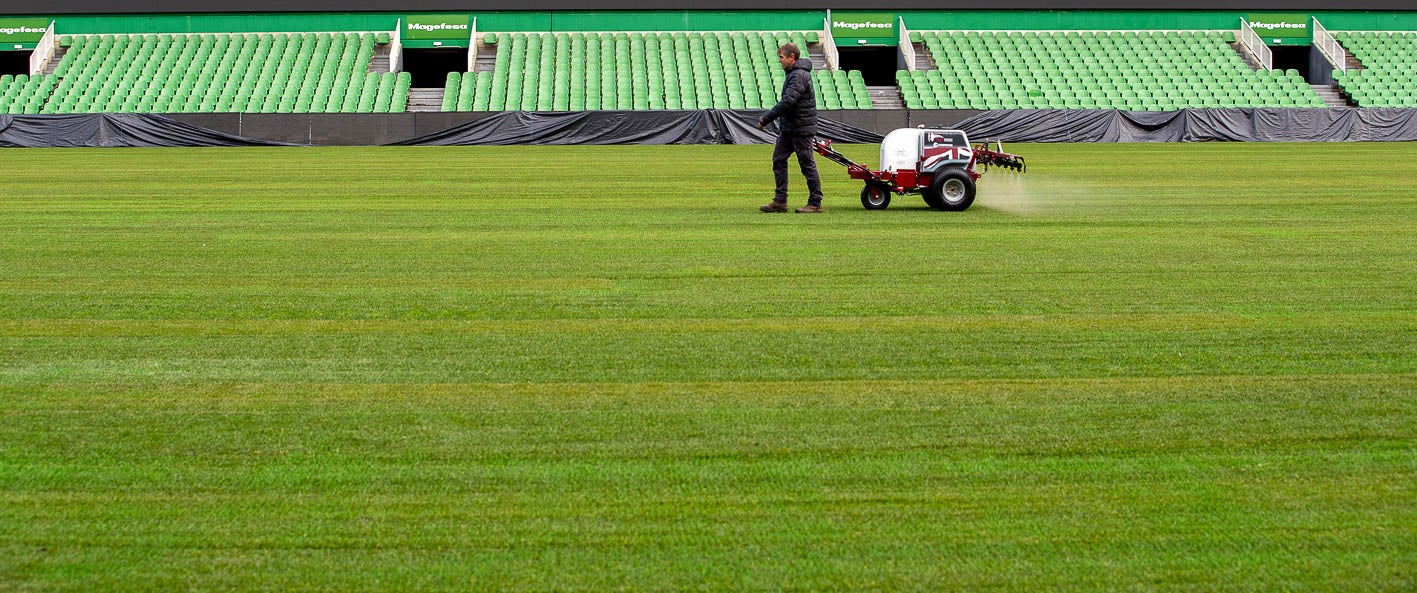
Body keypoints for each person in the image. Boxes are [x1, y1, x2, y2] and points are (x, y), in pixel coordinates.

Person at [757, 43, 824, 214]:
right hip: (790, 128)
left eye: (781, 57)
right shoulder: (794, 74)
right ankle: (780, 201)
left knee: (807, 164)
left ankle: (815, 202)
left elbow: (788, 101)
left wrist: (766, 118)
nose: (779, 61)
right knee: (779, 160)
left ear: (791, 57)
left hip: (800, 128)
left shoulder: (799, 76)